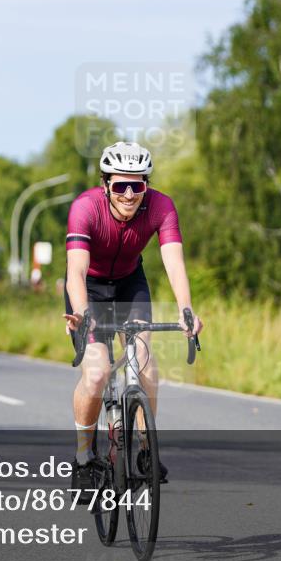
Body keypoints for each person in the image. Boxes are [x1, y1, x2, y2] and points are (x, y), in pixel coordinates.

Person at [63, 141, 204, 503]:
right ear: (105, 184)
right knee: (97, 372)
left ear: (147, 185)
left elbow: (174, 262)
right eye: (120, 185)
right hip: (89, 290)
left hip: (130, 285)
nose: (129, 194)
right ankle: (83, 459)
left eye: (137, 185)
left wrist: (186, 309)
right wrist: (82, 313)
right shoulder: (85, 207)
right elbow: (75, 271)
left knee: (143, 363)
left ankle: (144, 450)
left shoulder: (161, 206)